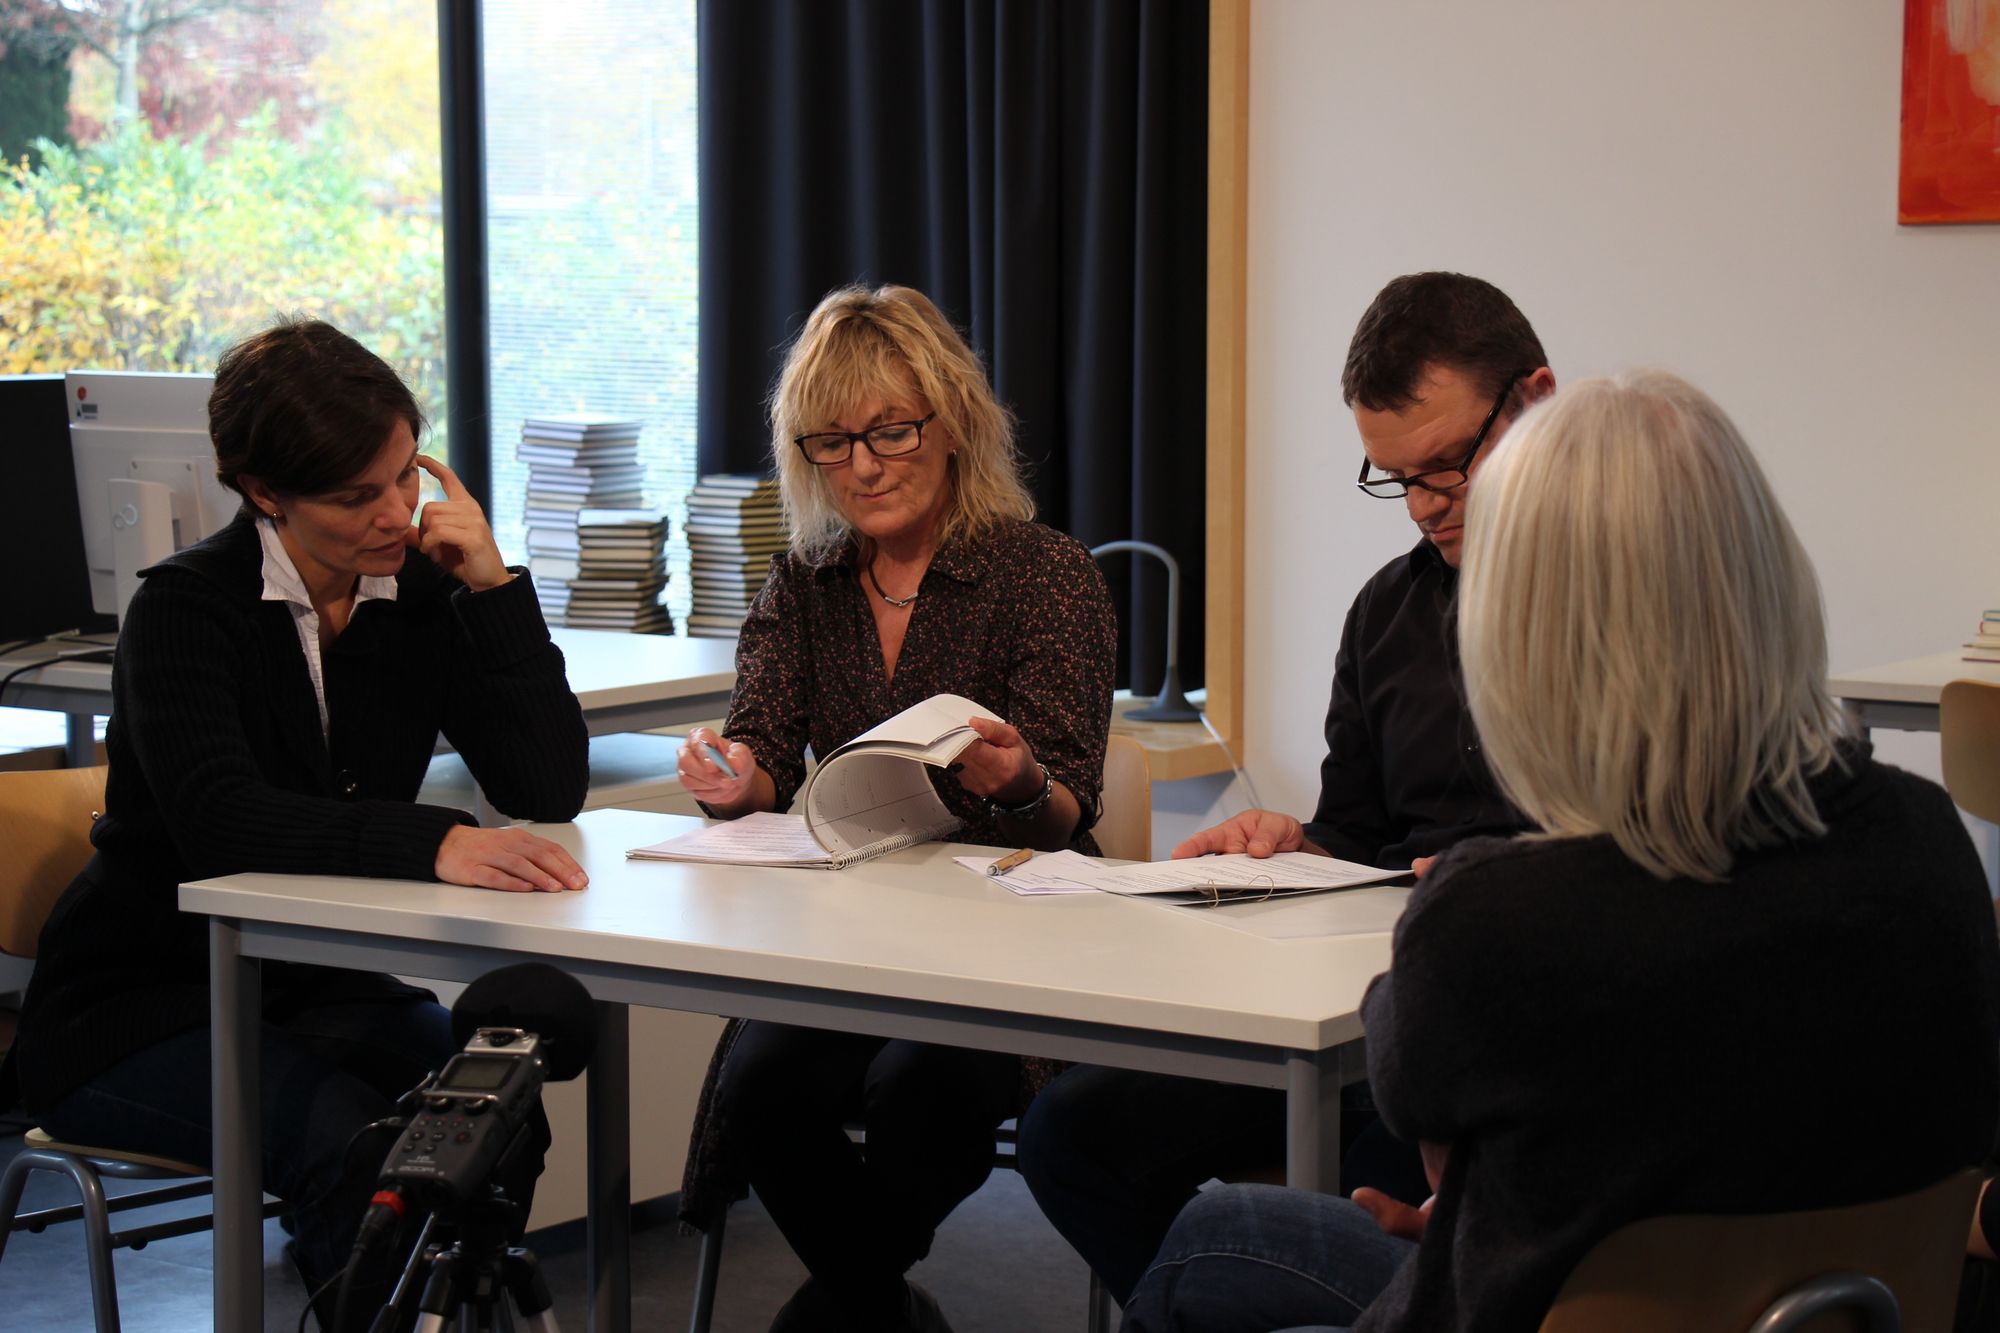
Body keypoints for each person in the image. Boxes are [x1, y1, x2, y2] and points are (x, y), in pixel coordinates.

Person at [1119, 369, 2000, 1333]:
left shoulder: (1502, 919)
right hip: (1830, 1304)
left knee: (1209, 1239)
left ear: (1523, 634)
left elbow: (1410, 1074)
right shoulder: (1927, 841)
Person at [4, 319, 590, 1332]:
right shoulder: (187, 609)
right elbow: (222, 821)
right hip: (139, 1008)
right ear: (265, 491)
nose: (396, 513)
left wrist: (493, 589)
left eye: (406, 475)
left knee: (498, 1110)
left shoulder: (419, 592)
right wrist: (434, 840)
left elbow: (548, 782)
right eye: (356, 496)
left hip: (314, 988)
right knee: (358, 1147)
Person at [1018, 271, 1555, 1305]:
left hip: (1505, 1043)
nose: (1426, 506)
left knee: (1340, 1185)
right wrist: (1293, 844)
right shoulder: (1387, 614)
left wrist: (1499, 884)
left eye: (1450, 464)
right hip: (1368, 1017)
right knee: (1071, 1132)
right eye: (1396, 478)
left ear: (1535, 400)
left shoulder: (1632, 603)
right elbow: (1359, 835)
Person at [673, 283, 1117, 1332]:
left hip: (1008, 935)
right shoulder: (806, 579)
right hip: (855, 934)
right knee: (757, 1083)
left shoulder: (1045, 573)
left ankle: (846, 1307)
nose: (864, 466)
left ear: (951, 423)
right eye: (832, 443)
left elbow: (1064, 811)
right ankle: (874, 1304)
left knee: (923, 1085)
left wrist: (1019, 781)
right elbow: (763, 747)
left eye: (889, 431)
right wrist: (737, 779)